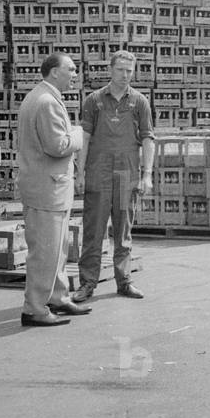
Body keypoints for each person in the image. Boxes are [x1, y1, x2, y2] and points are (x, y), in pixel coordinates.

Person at [72, 50, 154, 302]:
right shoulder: (94, 101)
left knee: (123, 230)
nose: (125, 75)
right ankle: (87, 283)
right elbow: (84, 138)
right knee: (93, 230)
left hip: (125, 175)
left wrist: (147, 174)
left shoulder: (139, 102)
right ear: (111, 70)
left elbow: (147, 139)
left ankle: (124, 281)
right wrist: (80, 173)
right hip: (98, 174)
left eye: (129, 71)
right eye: (120, 69)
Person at [17, 53, 92, 327]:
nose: (75, 74)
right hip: (46, 189)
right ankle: (35, 308)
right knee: (45, 252)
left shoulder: (42, 96)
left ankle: (57, 297)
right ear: (53, 72)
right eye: (70, 69)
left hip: (49, 187)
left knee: (57, 248)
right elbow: (57, 146)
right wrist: (78, 134)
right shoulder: (46, 102)